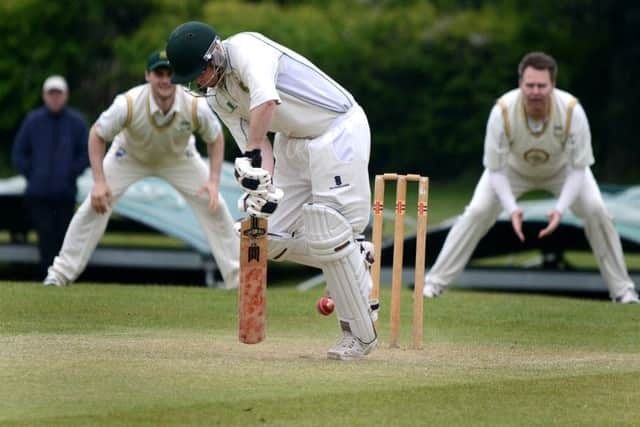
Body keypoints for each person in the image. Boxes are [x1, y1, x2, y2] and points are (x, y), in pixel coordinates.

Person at [166, 21, 378, 360]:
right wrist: (258, 180)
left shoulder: (248, 49)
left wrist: (248, 156)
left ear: (214, 54)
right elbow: (258, 143)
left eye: (200, 71)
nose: (200, 80)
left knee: (328, 226)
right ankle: (353, 254)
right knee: (263, 236)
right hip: (291, 141)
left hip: (337, 130)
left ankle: (360, 335)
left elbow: (266, 102)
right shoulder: (218, 97)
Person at [423, 51, 639, 304]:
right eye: (530, 85)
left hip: (563, 171)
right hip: (511, 171)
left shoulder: (571, 110)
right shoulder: (503, 110)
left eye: (541, 86)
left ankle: (622, 291)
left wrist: (560, 209)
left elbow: (579, 169)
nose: (535, 91)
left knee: (596, 210)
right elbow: (495, 169)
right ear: (520, 84)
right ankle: (434, 284)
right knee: (478, 211)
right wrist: (512, 209)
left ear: (552, 85)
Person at [43, 50, 240, 289]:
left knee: (215, 205)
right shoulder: (127, 103)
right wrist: (99, 182)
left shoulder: (194, 105)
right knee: (93, 206)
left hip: (179, 159)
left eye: (170, 73)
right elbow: (97, 134)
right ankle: (59, 276)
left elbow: (216, 137)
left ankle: (240, 282)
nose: (165, 79)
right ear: (148, 75)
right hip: (129, 157)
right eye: (159, 73)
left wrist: (213, 181)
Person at [12, 75, 89, 278]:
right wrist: (33, 173)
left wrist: (71, 173)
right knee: (45, 237)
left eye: (58, 94)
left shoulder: (76, 122)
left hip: (64, 194)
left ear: (66, 96)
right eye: (51, 94)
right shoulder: (33, 121)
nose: (55, 98)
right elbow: (19, 153)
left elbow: (86, 153)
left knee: (65, 237)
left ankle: (63, 276)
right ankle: (46, 276)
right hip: (38, 194)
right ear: (45, 96)